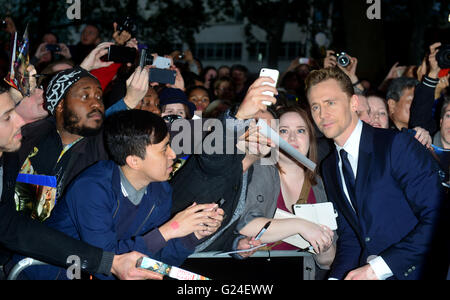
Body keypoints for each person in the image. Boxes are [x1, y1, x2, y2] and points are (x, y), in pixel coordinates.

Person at [18, 109, 223, 279]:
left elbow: (155, 265)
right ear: (134, 160)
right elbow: (106, 265)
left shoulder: (160, 190)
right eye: (163, 149)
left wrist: (192, 235)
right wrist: (170, 230)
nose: (173, 154)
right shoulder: (92, 188)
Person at [0, 81, 161, 280]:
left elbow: (12, 227)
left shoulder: (159, 191)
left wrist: (108, 262)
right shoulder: (28, 143)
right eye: (7, 116)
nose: (20, 121)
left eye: (99, 97)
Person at [305, 66, 446, 280]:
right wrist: (337, 277)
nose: (322, 114)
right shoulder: (330, 166)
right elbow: (352, 236)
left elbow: (439, 218)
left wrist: (377, 269)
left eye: (330, 103)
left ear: (354, 103)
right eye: (315, 107)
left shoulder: (395, 145)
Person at [233, 106, 336, 275]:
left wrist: (323, 245)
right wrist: (301, 226)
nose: (293, 138)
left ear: (310, 140)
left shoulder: (319, 183)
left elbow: (326, 262)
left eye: (301, 131)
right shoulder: (260, 169)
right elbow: (246, 226)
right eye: (284, 131)